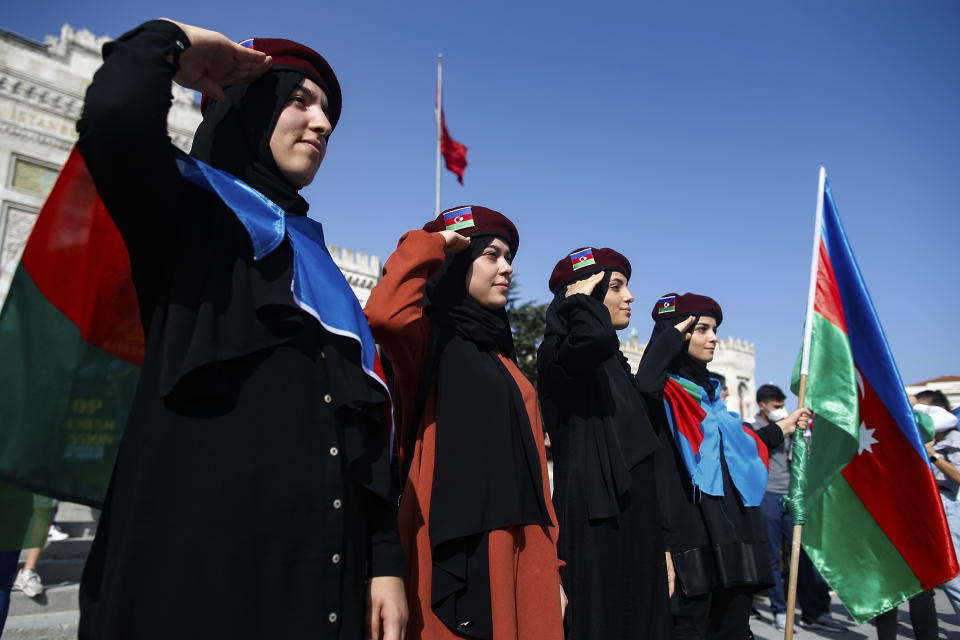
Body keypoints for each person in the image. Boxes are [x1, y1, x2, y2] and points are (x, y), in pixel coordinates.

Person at [75, 19, 406, 639]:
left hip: (319, 592)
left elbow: (358, 433)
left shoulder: (320, 268)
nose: (323, 123)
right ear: (247, 106)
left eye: (328, 112)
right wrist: (173, 42)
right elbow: (114, 116)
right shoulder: (185, 208)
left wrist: (383, 562)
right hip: (196, 586)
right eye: (299, 101)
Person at [365, 206, 564, 640]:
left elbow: (533, 469)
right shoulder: (427, 339)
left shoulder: (504, 359)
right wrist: (434, 241)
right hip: (452, 551)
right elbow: (383, 314)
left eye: (509, 257)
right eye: (491, 255)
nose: (507, 267)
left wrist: (555, 565)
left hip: (526, 549)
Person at [639, 292, 809, 640]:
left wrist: (786, 425)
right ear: (677, 334)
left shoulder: (713, 396)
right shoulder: (661, 396)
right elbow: (646, 383)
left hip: (735, 533)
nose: (713, 337)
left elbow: (745, 444)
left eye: (714, 329)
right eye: (701, 328)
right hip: (691, 536)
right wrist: (671, 331)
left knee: (733, 626)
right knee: (691, 626)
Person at [536, 247, 675, 639]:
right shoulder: (559, 354)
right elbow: (593, 340)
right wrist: (577, 301)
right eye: (615, 286)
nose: (630, 296)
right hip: (595, 527)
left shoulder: (616, 368)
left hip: (639, 527)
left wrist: (662, 545)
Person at [750, 384, 847, 633]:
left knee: (803, 553)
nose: (781, 410)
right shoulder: (753, 427)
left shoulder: (792, 426)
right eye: (776, 406)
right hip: (768, 495)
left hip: (791, 495)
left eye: (783, 405)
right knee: (773, 556)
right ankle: (780, 610)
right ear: (762, 406)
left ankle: (813, 611)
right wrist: (779, 430)